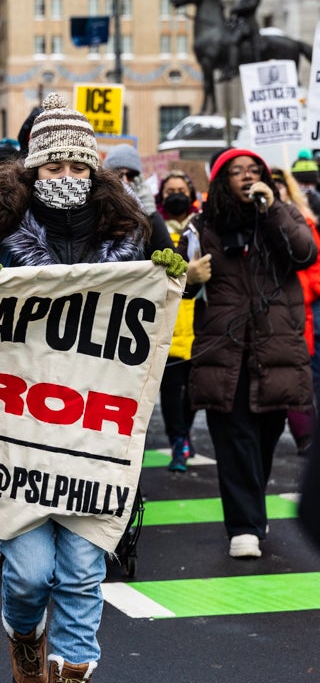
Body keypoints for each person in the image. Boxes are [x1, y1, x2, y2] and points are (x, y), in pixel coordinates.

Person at [0, 93, 184, 683]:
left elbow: (172, 295)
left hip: (99, 428)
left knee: (84, 569)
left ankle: (71, 679)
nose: (66, 178)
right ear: (33, 170)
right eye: (54, 168)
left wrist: (173, 276)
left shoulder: (135, 230)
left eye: (78, 167)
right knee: (30, 573)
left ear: (95, 171)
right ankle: (24, 633)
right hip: (22, 429)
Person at [179, 148, 316, 560]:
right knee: (234, 438)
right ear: (220, 181)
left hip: (275, 348)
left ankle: (251, 512)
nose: (245, 177)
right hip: (226, 352)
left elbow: (306, 253)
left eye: (252, 170)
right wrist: (188, 278)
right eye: (235, 171)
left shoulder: (282, 213)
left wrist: (273, 211)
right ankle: (244, 527)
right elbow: (175, 285)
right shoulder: (200, 226)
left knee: (265, 437)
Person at [157, 170, 207, 471]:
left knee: (194, 389)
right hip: (169, 321)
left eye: (180, 188)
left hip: (198, 322)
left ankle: (184, 433)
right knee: (171, 389)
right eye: (169, 190)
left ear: (190, 194)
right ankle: (177, 439)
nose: (175, 194)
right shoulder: (155, 227)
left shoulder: (200, 227)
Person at [269, 166, 320, 456]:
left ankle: (305, 434)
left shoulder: (303, 223)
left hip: (299, 309)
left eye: (280, 185)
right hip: (268, 309)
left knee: (298, 372)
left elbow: (316, 263)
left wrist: (305, 289)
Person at [100, 144, 174, 254]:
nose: (124, 180)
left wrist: (147, 213)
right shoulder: (96, 207)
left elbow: (167, 253)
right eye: (117, 174)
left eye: (131, 175)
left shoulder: (149, 210)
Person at [221, 0, 262, 81]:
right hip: (242, 22)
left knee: (233, 41)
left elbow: (251, 5)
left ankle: (233, 68)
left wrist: (236, 9)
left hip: (248, 24)